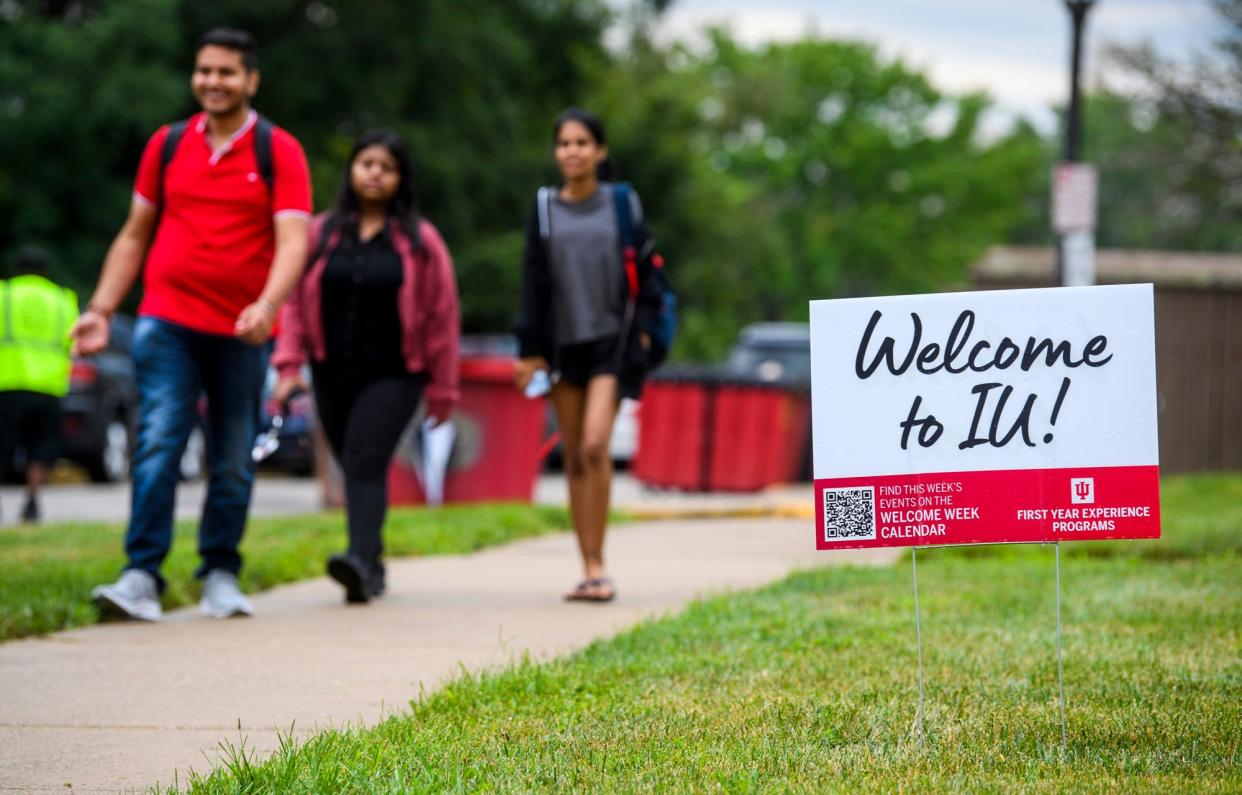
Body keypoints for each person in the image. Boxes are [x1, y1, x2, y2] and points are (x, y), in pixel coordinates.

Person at [72, 28, 312, 622]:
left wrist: (267, 306)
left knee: (232, 455)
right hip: (167, 320)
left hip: (241, 330)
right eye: (204, 70)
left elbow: (293, 242)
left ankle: (221, 574)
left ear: (250, 80)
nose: (213, 81)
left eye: (227, 72)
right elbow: (135, 233)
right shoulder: (168, 143)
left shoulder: (277, 150)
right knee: (158, 442)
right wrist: (101, 310)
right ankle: (140, 576)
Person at [272, 129, 460, 604]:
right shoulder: (321, 233)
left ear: (401, 179)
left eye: (387, 166)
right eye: (366, 163)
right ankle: (372, 563)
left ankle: (356, 559)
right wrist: (289, 363)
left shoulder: (421, 242)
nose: (375, 173)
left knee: (364, 459)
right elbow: (293, 300)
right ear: (351, 171)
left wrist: (443, 389)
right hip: (332, 371)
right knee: (355, 464)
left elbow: (442, 316)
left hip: (397, 373)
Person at [513, 108, 663, 603]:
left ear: (601, 151)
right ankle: (589, 567)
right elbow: (532, 282)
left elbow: (648, 272)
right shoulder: (543, 208)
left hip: (611, 343)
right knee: (576, 455)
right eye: (563, 143)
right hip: (561, 346)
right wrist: (528, 350)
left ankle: (600, 564)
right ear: (556, 152)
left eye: (582, 142)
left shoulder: (621, 204)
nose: (572, 151)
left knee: (597, 445)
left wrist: (643, 331)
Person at [0, 246, 78, 525]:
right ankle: (32, 501)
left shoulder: (4, 294)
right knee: (41, 447)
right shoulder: (62, 298)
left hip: (7, 382)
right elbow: (73, 342)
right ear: (45, 271)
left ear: (18, 268)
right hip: (49, 385)